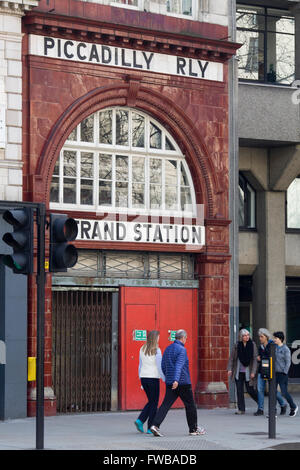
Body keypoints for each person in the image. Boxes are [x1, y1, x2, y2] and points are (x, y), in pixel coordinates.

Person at [150, 329, 206, 437]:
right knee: (190, 405)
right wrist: (176, 379)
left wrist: (169, 378)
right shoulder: (182, 349)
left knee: (165, 405)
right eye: (186, 338)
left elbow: (163, 366)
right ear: (183, 338)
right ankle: (193, 429)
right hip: (182, 382)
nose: (186, 340)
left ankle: (155, 425)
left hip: (170, 382)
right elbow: (179, 365)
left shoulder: (167, 348)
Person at [134, 330, 165, 434]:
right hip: (153, 378)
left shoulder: (142, 349)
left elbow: (140, 365)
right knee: (154, 403)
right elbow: (160, 367)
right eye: (158, 337)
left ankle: (140, 420)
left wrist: (140, 379)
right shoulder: (157, 350)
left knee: (151, 401)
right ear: (155, 338)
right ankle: (150, 427)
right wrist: (164, 379)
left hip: (144, 377)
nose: (159, 339)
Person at [254, 328, 285, 416]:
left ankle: (283, 404)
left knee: (273, 390)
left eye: (262, 337)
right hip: (262, 370)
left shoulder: (272, 344)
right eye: (259, 337)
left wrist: (262, 357)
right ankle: (260, 409)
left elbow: (273, 357)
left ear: (266, 337)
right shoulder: (260, 347)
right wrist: (259, 358)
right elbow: (261, 356)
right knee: (260, 389)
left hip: (271, 371)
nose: (260, 338)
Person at [227, 329, 258, 414]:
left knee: (250, 390)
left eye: (248, 335)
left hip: (249, 372)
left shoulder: (252, 344)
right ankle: (241, 409)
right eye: (244, 335)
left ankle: (260, 403)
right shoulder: (237, 345)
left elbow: (255, 359)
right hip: (238, 372)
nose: (247, 337)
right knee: (239, 391)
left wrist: (253, 371)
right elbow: (232, 358)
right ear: (241, 337)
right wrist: (229, 369)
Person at [273, 331, 298, 417]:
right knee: (273, 392)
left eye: (275, 338)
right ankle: (273, 411)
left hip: (282, 374)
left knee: (284, 392)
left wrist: (284, 372)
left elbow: (288, 362)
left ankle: (293, 406)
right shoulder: (274, 347)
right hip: (275, 373)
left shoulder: (285, 349)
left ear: (280, 339)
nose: (274, 339)